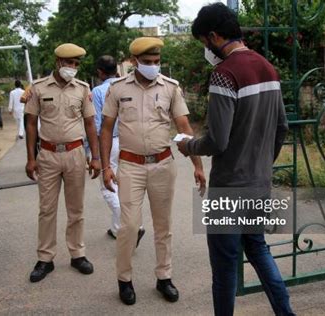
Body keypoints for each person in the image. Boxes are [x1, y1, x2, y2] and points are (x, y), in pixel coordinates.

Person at [176, 4, 294, 315]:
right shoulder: (268, 67)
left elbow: (217, 140)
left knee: (225, 268)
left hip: (228, 188)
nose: (206, 49)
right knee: (258, 249)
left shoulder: (224, 74)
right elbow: (282, 127)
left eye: (204, 42)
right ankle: (286, 312)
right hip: (258, 184)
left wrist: (189, 146)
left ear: (213, 36)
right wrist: (263, 166)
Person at [100, 37, 206, 305]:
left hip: (162, 164)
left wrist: (197, 165)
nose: (153, 66)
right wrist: (104, 167)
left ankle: (164, 277)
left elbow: (184, 129)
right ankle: (124, 280)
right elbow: (105, 129)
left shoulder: (171, 88)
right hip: (130, 165)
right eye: (147, 62)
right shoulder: (117, 89)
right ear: (134, 61)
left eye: (157, 62)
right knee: (129, 227)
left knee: (163, 226)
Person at [24, 43, 101, 283]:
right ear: (58, 62)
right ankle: (45, 258)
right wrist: (30, 158)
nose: (73, 68)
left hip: (75, 154)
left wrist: (96, 157)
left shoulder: (82, 89)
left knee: (76, 209)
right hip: (47, 155)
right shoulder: (38, 88)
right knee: (46, 209)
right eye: (69, 63)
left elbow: (90, 125)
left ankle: (77, 254)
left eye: (77, 64)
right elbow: (30, 123)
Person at [92, 55, 145, 243]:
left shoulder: (98, 91)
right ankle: (116, 229)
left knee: (108, 186)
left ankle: (134, 224)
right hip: (131, 141)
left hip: (111, 142)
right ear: (116, 69)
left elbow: (99, 124)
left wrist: (95, 155)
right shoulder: (127, 86)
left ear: (99, 72)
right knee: (126, 185)